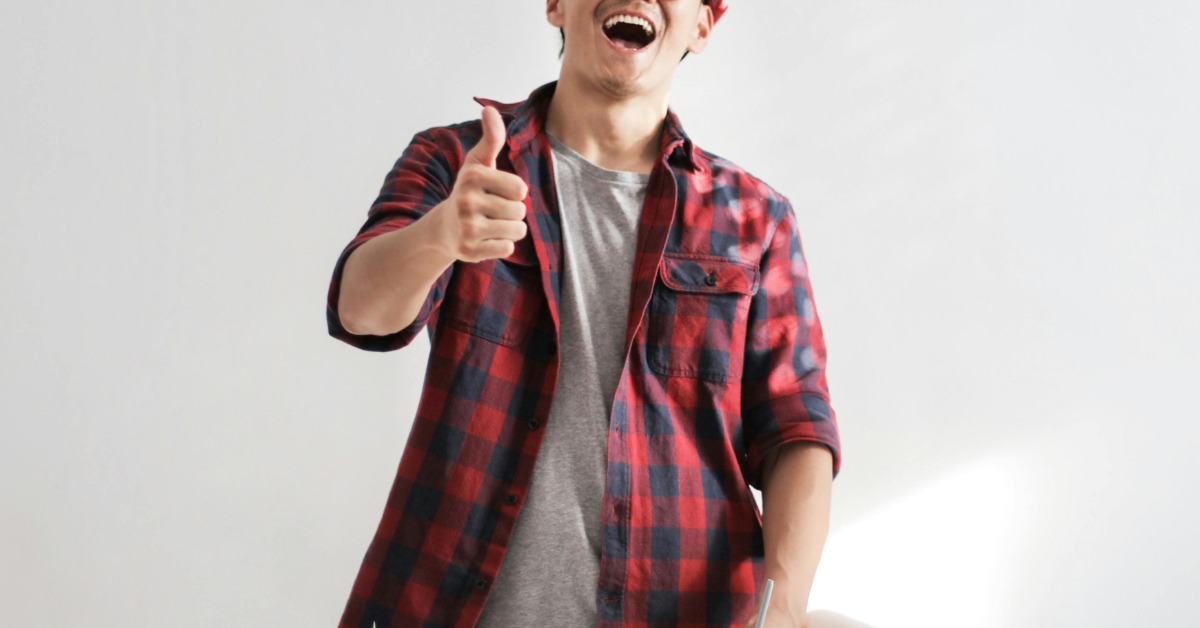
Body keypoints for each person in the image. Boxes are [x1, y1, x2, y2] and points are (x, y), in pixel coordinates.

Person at [325, 1, 842, 626]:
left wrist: (781, 610)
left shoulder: (756, 219)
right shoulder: (462, 163)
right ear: (555, 5)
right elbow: (360, 312)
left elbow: (797, 431)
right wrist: (439, 236)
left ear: (703, 26)